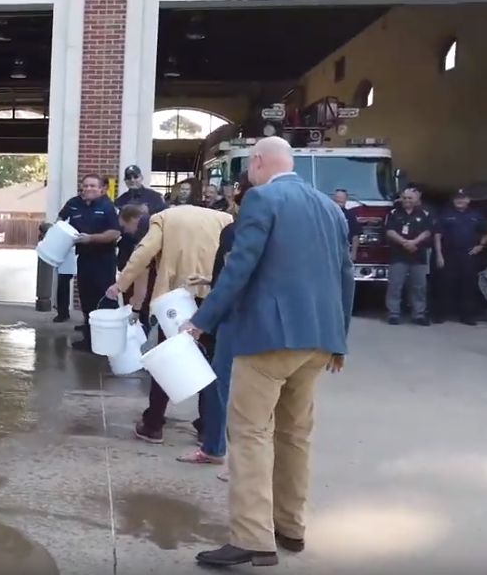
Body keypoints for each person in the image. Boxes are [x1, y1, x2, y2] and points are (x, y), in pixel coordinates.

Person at [182, 136, 354, 568]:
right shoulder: (330, 208)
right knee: (295, 434)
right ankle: (290, 526)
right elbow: (345, 276)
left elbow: (241, 265)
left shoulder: (262, 199)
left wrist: (203, 320)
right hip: (319, 339)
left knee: (251, 434)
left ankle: (253, 537)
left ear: (258, 161)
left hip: (268, 338)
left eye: (249, 166)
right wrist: (340, 340)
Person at [106, 201, 233, 444]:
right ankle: (208, 428)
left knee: (166, 359)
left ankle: (153, 424)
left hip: (177, 301)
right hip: (214, 296)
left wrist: (119, 284)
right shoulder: (223, 219)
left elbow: (143, 253)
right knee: (211, 364)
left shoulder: (162, 219)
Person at [176, 171, 253, 475]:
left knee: (222, 387)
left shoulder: (238, 231)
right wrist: (211, 279)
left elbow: (236, 279)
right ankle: (217, 449)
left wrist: (200, 321)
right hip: (247, 317)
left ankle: (222, 452)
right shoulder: (249, 230)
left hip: (232, 319)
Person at [60, 174, 121, 351]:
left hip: (103, 259)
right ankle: (89, 339)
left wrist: (91, 239)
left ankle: (108, 340)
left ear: (102, 189)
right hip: (84, 258)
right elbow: (60, 222)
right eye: (85, 186)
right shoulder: (74, 204)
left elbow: (114, 233)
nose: (88, 189)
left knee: (104, 299)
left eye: (93, 186)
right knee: (86, 299)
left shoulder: (107, 206)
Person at [433, 189, 487, 325]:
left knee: (468, 286)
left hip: (468, 254)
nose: (460, 201)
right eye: (457, 198)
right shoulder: (445, 215)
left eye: (463, 198)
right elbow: (437, 235)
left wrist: (480, 246)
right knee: (445, 285)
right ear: (453, 200)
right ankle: (442, 314)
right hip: (449, 254)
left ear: (468, 200)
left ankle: (467, 316)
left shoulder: (476, 215)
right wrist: (439, 254)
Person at [384, 187, 432, 325]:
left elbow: (428, 231)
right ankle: (393, 313)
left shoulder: (425, 214)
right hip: (398, 256)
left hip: (419, 256)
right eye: (405, 198)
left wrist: (414, 242)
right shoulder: (393, 213)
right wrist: (405, 242)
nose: (407, 201)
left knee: (419, 286)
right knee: (395, 285)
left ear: (417, 200)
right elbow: (389, 231)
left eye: (410, 198)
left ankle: (419, 314)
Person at [332, 189, 361, 261]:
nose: (339, 200)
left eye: (341, 199)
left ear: (346, 199)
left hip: (344, 252)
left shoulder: (350, 215)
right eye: (337, 199)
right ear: (333, 199)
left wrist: (353, 253)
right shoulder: (325, 214)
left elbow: (355, 236)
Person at [53, 247, 76, 323]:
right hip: (65, 261)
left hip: (67, 261)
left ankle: (62, 314)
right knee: (64, 288)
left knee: (62, 289)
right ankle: (64, 313)